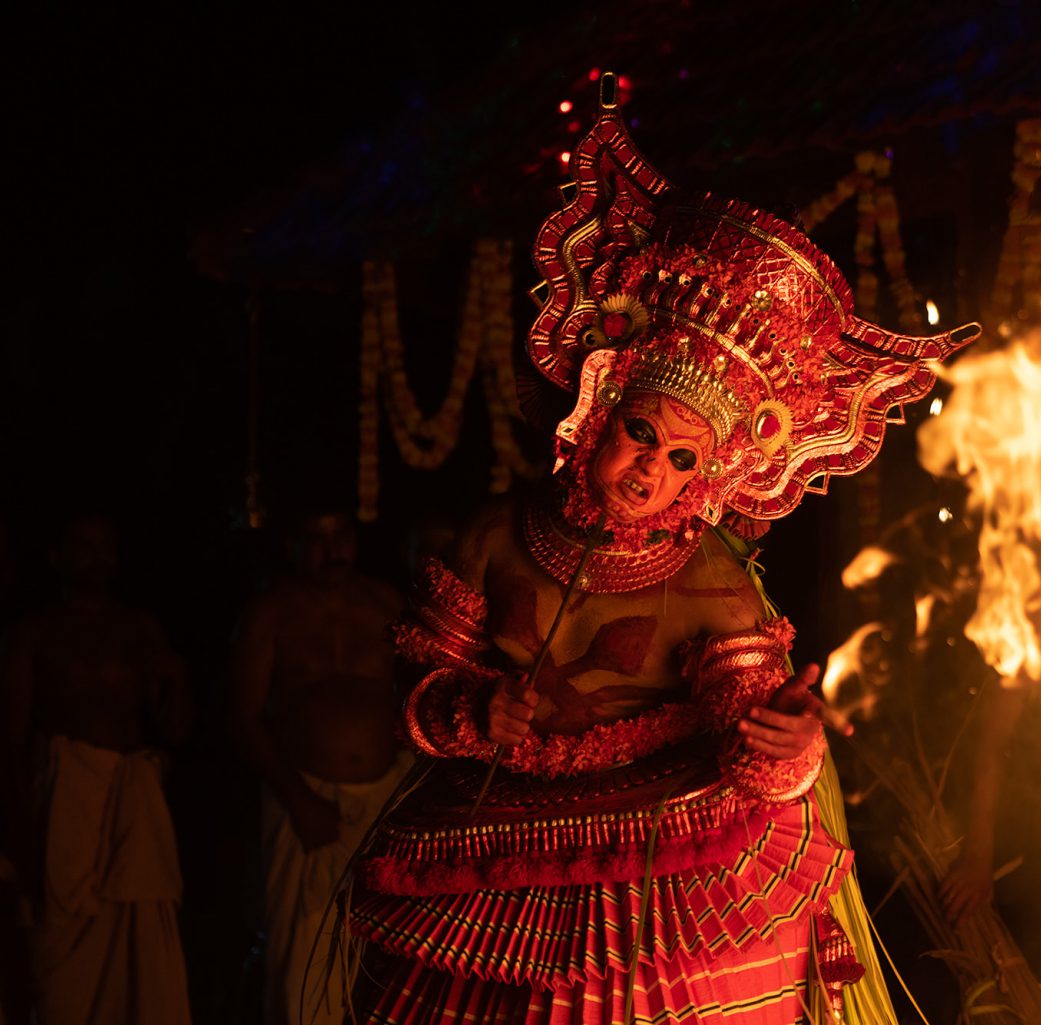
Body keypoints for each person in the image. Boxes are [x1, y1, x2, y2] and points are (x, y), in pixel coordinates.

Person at [339, 75, 978, 1025]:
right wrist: (476, 714)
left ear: (705, 477)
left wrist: (787, 749)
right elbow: (418, 698)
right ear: (600, 409)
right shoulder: (492, 538)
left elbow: (752, 739)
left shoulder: (710, 576)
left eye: (682, 458)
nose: (651, 469)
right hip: (494, 838)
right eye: (643, 433)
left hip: (667, 865)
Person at [0, 511, 193, 1025]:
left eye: (105, 544)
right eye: (83, 545)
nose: (97, 556)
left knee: (140, 961)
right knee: (60, 972)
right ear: (56, 558)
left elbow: (175, 726)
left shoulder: (139, 627)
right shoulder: (34, 633)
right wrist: (22, 846)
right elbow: (11, 740)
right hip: (65, 809)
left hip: (132, 809)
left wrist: (175, 683)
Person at [230, 506, 411, 1025]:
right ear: (292, 545)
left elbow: (413, 698)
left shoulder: (382, 603)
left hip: (385, 802)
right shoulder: (271, 613)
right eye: (316, 536)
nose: (333, 549)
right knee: (302, 952)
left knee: (383, 951)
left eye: (342, 535)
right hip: (304, 799)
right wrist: (298, 798)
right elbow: (242, 718)